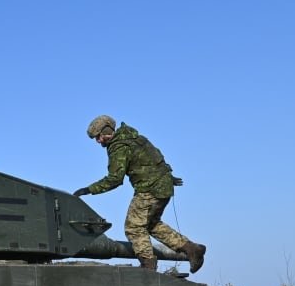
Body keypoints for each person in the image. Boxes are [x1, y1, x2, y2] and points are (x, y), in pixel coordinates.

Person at [74, 115, 206, 273]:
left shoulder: (118, 146)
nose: (98, 141)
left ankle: (148, 265)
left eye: (98, 137)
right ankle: (192, 249)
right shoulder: (134, 137)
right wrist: (168, 177)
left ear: (107, 131)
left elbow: (115, 179)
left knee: (134, 227)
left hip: (149, 189)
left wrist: (89, 189)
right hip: (163, 187)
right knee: (152, 224)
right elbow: (153, 158)